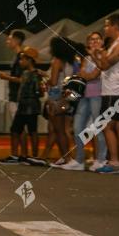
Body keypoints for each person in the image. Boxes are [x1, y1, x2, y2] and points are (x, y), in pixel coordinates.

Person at [61, 31, 108, 171]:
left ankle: (101, 159)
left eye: (97, 39)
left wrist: (86, 75)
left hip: (98, 95)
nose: (94, 42)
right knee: (77, 127)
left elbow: (94, 74)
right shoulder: (86, 57)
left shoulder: (104, 56)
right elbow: (83, 75)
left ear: (102, 42)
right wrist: (87, 75)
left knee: (98, 128)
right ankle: (79, 160)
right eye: (91, 39)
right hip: (84, 96)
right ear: (88, 42)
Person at [93, 13, 119, 174]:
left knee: (107, 126)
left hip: (115, 91)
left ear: (115, 27)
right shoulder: (117, 44)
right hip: (116, 91)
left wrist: (100, 51)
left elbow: (105, 65)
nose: (105, 28)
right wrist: (96, 54)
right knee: (118, 127)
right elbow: (104, 65)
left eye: (107, 25)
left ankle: (115, 161)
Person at [6, 47, 43, 164]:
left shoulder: (31, 73)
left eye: (22, 59)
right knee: (27, 130)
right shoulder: (34, 73)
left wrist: (5, 77)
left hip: (27, 106)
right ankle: (30, 156)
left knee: (21, 130)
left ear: (29, 60)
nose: (20, 62)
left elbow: (38, 91)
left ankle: (20, 156)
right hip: (29, 106)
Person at [46, 37, 76, 167]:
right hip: (66, 97)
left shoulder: (56, 61)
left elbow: (53, 82)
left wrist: (45, 78)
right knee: (60, 129)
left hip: (56, 97)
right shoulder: (69, 62)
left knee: (59, 130)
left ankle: (67, 158)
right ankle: (65, 157)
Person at [0, 30, 27, 162]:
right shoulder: (18, 56)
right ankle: (21, 155)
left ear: (16, 40)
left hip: (17, 97)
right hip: (16, 96)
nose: (7, 41)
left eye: (9, 39)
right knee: (18, 127)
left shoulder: (21, 57)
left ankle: (18, 155)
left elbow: (22, 79)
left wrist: (6, 77)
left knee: (17, 128)